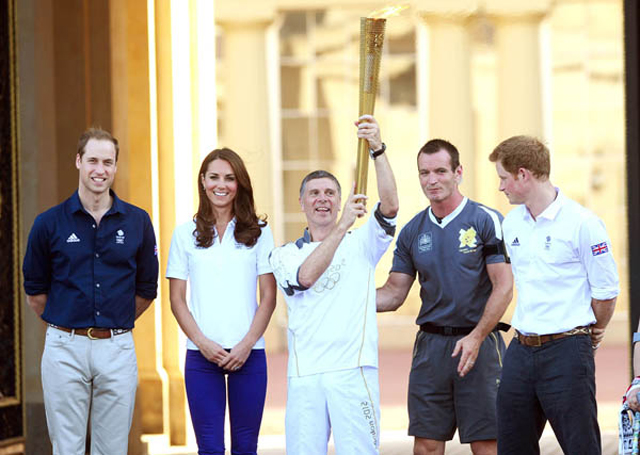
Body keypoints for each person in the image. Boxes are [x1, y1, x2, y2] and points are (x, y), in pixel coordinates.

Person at [22, 128, 159, 455]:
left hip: (117, 347)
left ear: (115, 167)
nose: (100, 169)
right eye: (93, 161)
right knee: (66, 447)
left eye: (108, 162)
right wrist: (67, 323)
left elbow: (146, 289)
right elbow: (35, 293)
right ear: (78, 162)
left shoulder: (138, 222)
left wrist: (114, 321)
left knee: (112, 449)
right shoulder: (48, 224)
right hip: (64, 349)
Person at [269, 115, 398, 455]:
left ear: (340, 201)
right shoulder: (284, 255)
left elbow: (390, 207)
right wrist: (343, 225)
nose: (322, 199)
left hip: (353, 372)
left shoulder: (362, 244)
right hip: (306, 375)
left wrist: (377, 149)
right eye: (314, 193)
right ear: (301, 203)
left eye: (330, 193)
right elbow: (306, 277)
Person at [376, 139, 513, 455]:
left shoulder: (486, 220)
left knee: (487, 445)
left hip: (480, 344)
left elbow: (504, 286)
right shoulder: (412, 231)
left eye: (440, 171)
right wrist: (346, 298)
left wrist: (476, 337)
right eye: (424, 173)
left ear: (458, 173)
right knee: (426, 445)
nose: (432, 180)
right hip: (431, 348)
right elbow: (394, 293)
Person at [489, 135, 620, 455]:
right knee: (512, 446)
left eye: (504, 178)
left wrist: (593, 333)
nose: (501, 187)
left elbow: (606, 292)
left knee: (581, 446)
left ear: (523, 174)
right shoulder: (512, 223)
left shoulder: (583, 224)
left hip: (567, 351)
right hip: (520, 350)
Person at [166, 148, 276, 455]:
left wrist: (245, 345)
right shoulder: (184, 234)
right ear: (203, 181)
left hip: (249, 354)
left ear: (239, 184)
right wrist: (202, 343)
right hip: (201, 357)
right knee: (210, 449)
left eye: (229, 178)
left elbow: (269, 296)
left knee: (246, 448)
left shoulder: (260, 233)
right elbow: (176, 299)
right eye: (214, 177)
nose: (221, 185)